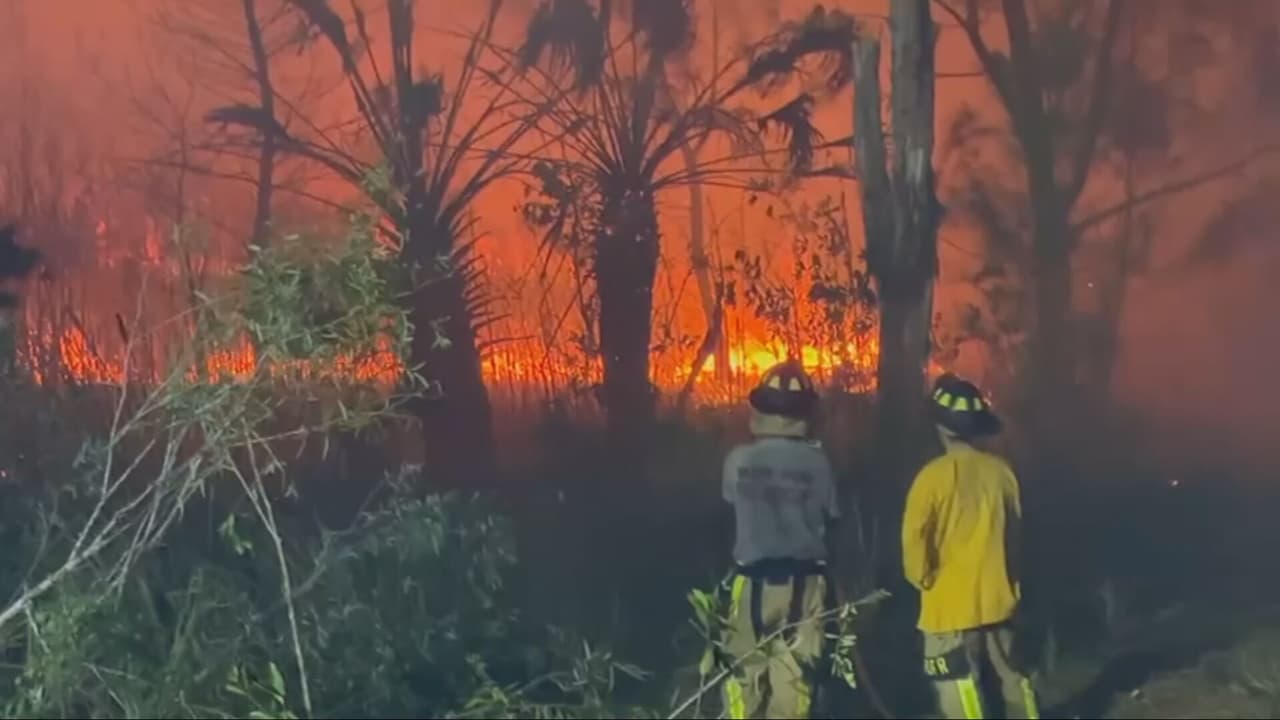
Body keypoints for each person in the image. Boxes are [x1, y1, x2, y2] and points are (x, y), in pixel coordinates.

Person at [902, 373, 1041, 720]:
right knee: (1012, 678)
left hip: (947, 607)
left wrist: (922, 578)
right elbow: (1015, 536)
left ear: (940, 426)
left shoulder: (930, 479)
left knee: (958, 687)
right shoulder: (1002, 474)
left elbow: (914, 541)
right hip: (999, 600)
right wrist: (1012, 581)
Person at [718, 360, 840, 719]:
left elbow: (731, 503)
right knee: (795, 682)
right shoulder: (819, 463)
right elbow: (831, 516)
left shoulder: (737, 460)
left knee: (743, 677)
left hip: (750, 585)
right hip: (805, 586)